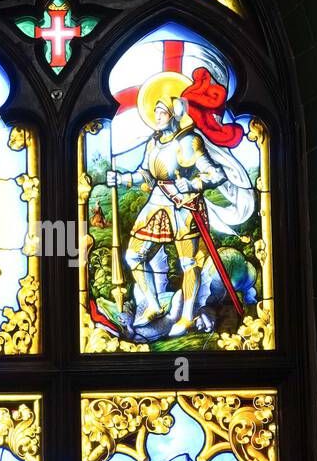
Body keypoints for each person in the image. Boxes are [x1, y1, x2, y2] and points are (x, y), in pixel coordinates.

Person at [107, 68, 253, 335]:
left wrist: (194, 183)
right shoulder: (153, 143)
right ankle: (152, 304)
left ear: (175, 112)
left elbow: (215, 173)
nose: (157, 117)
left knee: (189, 264)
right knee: (133, 255)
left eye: (162, 112)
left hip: (184, 206)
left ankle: (186, 316)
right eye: (156, 112)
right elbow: (145, 175)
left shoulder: (189, 142)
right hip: (157, 204)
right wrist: (123, 179)